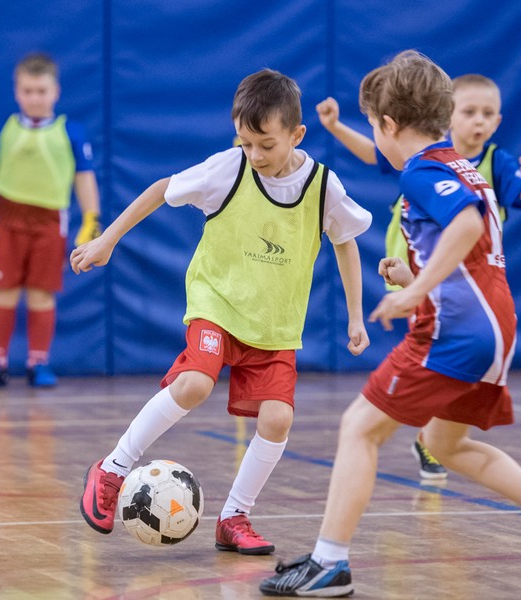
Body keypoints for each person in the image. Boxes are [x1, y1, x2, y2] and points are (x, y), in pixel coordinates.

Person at [261, 50, 521, 597]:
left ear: (388, 125)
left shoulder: (422, 170)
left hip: (455, 330)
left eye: (372, 125)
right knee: (444, 443)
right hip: (497, 326)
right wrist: (413, 273)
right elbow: (470, 253)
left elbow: (466, 224)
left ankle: (328, 564)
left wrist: (414, 291)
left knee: (359, 428)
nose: (375, 136)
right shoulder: (462, 165)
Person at [70, 69, 372, 555]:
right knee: (194, 383)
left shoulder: (322, 186)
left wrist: (355, 316)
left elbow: (347, 242)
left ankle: (234, 517)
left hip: (274, 323)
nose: (255, 155)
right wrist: (108, 239)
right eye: (246, 143)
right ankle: (112, 469)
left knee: (278, 419)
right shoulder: (229, 169)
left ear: (297, 135)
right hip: (218, 303)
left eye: (266, 145)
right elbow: (161, 189)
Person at [315, 73, 521, 481]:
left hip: (459, 290)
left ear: (498, 121)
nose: (478, 120)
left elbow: (502, 209)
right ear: (448, 116)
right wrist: (335, 127)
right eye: (469, 111)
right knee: (436, 412)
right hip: (442, 281)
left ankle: (427, 438)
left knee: (364, 423)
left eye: (487, 113)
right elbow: (376, 153)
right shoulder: (430, 161)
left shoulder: (474, 165)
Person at [0, 52, 102, 389]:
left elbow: (84, 178)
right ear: (17, 92)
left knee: (42, 294)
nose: (35, 98)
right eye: (28, 91)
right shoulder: (6, 130)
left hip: (49, 221)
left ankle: (38, 362)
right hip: (7, 218)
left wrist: (91, 218)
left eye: (41, 91)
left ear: (55, 91)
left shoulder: (71, 132)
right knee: (3, 292)